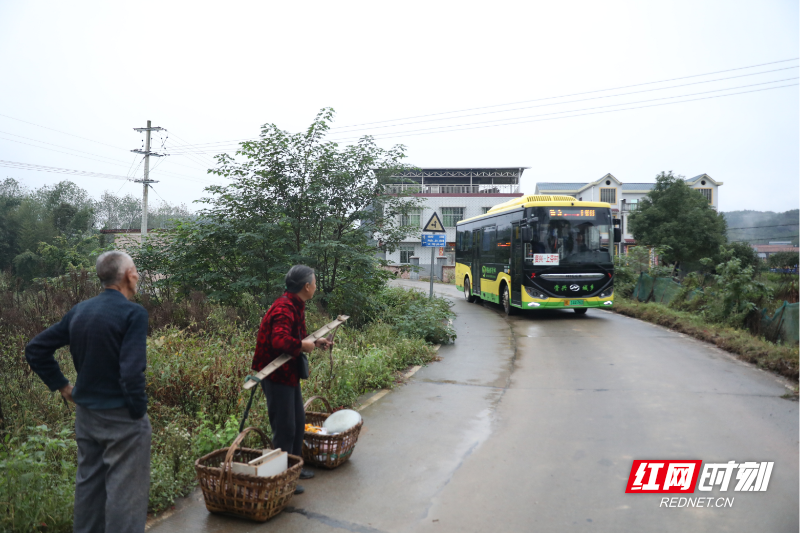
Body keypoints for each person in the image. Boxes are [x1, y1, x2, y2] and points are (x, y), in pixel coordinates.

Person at [25, 251, 151, 533]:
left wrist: (63, 386)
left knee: (89, 489)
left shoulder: (80, 310)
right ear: (129, 275)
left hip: (87, 416)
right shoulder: (133, 313)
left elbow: (36, 348)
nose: (138, 276)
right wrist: (138, 413)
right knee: (126, 493)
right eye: (136, 271)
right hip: (123, 418)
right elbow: (131, 373)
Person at [251, 265, 331, 495]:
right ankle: (282, 477)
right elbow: (280, 341)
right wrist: (304, 346)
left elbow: (297, 339)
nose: (316, 286)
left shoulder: (296, 304)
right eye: (314, 282)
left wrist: (316, 342)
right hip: (274, 374)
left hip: (289, 372)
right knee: (284, 426)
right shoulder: (284, 308)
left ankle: (293, 468)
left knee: (297, 420)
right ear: (306, 286)